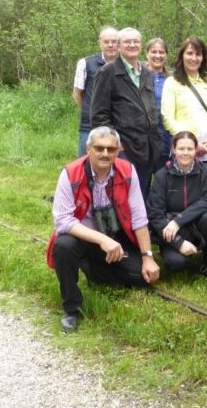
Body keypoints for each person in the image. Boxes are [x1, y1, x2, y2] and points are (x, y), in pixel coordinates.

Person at [47, 126, 160, 333]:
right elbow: (63, 221)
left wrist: (148, 256)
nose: (105, 154)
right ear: (88, 149)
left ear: (118, 151)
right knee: (63, 246)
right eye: (99, 148)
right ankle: (72, 309)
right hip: (83, 237)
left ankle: (93, 270)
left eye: (110, 149)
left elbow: (138, 216)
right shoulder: (70, 173)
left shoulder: (127, 171)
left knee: (141, 279)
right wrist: (101, 239)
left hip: (116, 237)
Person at [91, 27, 161, 199]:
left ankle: (140, 226)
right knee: (122, 195)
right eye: (127, 42)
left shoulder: (145, 72)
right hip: (124, 147)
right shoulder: (108, 72)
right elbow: (99, 114)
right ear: (119, 46)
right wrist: (114, 141)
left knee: (142, 193)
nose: (132, 45)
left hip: (147, 146)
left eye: (136, 41)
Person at [146, 131, 207, 281]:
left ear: (196, 150)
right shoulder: (162, 175)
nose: (185, 153)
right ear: (174, 150)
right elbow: (155, 214)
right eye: (181, 149)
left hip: (197, 224)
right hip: (172, 231)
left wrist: (178, 220)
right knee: (176, 264)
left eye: (190, 149)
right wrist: (178, 243)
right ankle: (178, 251)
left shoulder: (206, 171)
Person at [161, 37, 207, 172]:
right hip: (184, 150)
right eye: (190, 53)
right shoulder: (172, 82)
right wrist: (190, 143)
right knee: (184, 192)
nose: (194, 58)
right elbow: (167, 117)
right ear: (182, 55)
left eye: (198, 54)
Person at [72, 26, 119, 156]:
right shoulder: (85, 63)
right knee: (85, 163)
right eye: (107, 41)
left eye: (114, 41)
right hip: (89, 126)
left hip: (118, 125)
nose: (111, 45)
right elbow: (77, 93)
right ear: (100, 43)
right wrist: (90, 111)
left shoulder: (126, 64)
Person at [145, 37, 172, 170]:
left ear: (166, 55)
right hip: (144, 139)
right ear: (147, 53)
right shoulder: (138, 76)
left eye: (161, 52)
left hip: (165, 138)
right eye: (154, 52)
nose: (157, 55)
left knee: (164, 180)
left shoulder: (172, 80)